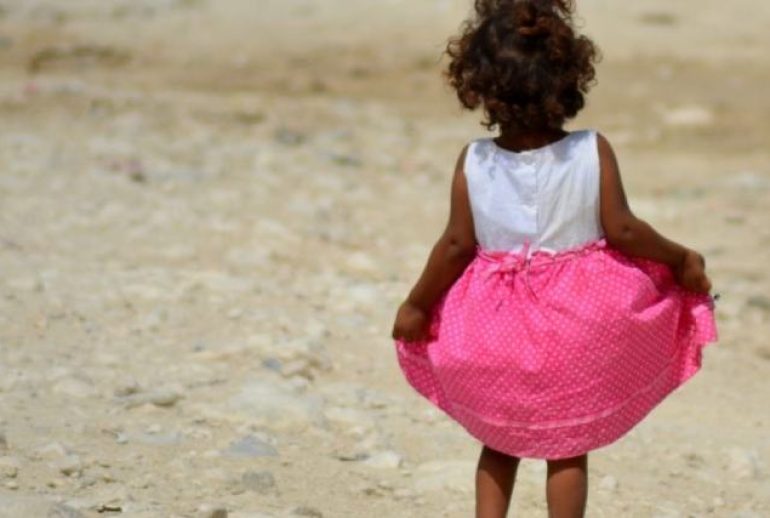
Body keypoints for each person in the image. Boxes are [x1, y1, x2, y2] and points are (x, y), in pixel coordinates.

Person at [390, 1, 719, 517]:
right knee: (567, 448)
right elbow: (624, 229)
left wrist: (416, 304)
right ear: (570, 78)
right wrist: (681, 258)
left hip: (494, 329)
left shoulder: (475, 161)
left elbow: (456, 245)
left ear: (477, 85)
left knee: (499, 442)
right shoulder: (591, 150)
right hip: (578, 326)